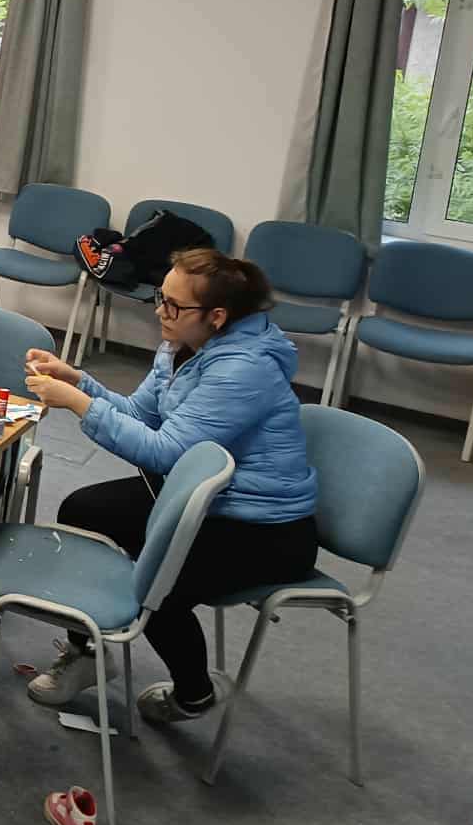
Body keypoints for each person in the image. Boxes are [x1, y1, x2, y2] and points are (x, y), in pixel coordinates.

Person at [22, 248, 320, 725]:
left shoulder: (245, 369)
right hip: (201, 498)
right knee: (83, 510)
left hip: (264, 529)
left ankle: (194, 693)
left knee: (157, 583)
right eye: (161, 298)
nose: (160, 312)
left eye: (174, 306)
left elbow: (164, 452)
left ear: (217, 317)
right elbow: (141, 414)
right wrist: (80, 382)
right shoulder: (182, 343)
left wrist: (77, 403)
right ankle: (86, 653)